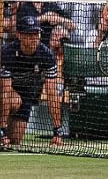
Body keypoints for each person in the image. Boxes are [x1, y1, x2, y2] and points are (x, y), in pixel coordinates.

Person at [0, 16, 62, 147]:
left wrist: (57, 132)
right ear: (19, 35)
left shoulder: (46, 55)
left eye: (36, 34)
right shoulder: (7, 53)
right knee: (12, 99)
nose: (34, 38)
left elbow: (52, 94)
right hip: (7, 94)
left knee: (15, 140)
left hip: (27, 96)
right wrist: (2, 132)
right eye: (29, 34)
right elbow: (5, 91)